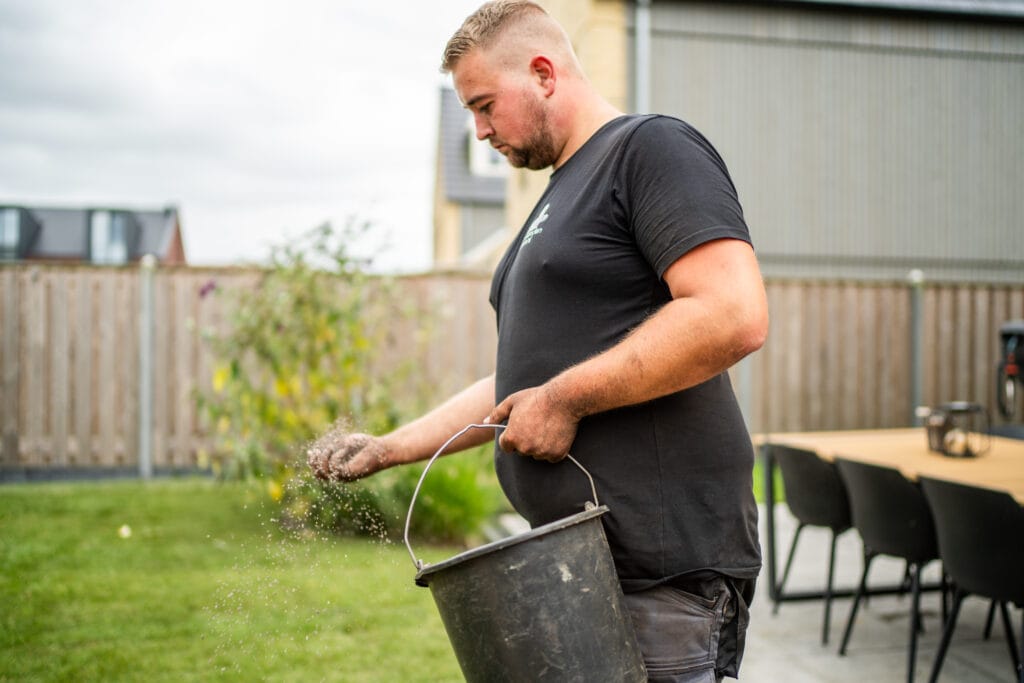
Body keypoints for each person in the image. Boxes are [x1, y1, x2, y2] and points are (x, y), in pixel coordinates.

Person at [307, 1, 769, 680]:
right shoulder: (554, 200)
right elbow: (518, 384)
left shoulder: (650, 149)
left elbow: (734, 312)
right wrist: (389, 448)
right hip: (578, 573)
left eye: (486, 104)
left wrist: (567, 398)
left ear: (545, 74)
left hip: (663, 583)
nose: (480, 129)